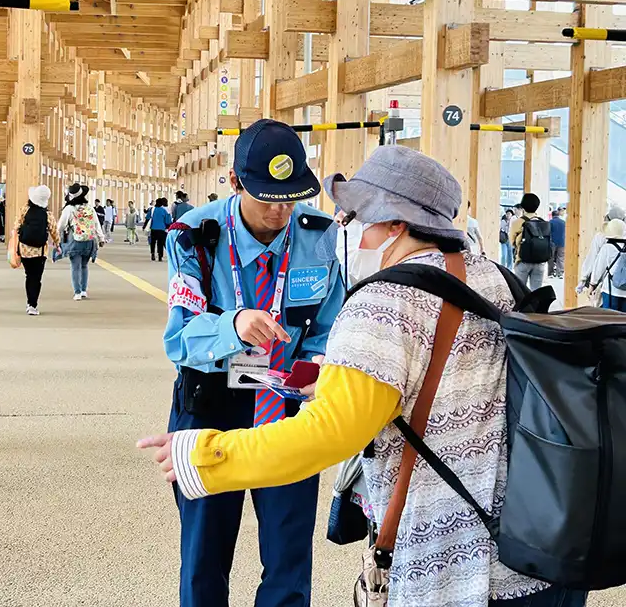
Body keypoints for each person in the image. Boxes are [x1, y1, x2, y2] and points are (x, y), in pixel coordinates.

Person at [140, 145, 584, 607]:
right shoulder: (497, 280)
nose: (344, 228)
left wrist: (207, 454)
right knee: (205, 554)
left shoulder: (383, 302)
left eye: (354, 215)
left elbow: (330, 433)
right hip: (532, 545)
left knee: (287, 552)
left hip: (455, 564)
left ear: (394, 225)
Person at [145, 119, 344, 607]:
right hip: (211, 402)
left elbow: (329, 326)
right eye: (266, 197)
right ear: (234, 182)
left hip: (288, 403)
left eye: (290, 197)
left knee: (288, 557)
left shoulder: (317, 236)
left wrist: (317, 363)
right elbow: (179, 338)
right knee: (204, 558)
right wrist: (231, 326)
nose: (280, 210)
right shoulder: (194, 237)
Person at [15, 185, 61, 316]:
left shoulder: (24, 210)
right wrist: (58, 244)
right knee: (36, 278)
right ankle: (32, 305)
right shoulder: (47, 214)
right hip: (40, 251)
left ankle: (29, 302)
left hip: (24, 249)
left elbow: (16, 226)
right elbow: (54, 231)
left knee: (29, 276)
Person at [57, 183, 105, 301]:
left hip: (75, 240)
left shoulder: (69, 209)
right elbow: (96, 224)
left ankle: (77, 292)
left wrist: (56, 237)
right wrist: (101, 238)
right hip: (89, 241)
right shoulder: (89, 208)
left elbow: (61, 226)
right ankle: (84, 290)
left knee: (75, 267)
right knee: (84, 266)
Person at [579, 206, 626, 293]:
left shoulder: (601, 237)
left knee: (603, 305)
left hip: (607, 284)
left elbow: (592, 258)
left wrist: (584, 279)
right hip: (623, 282)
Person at [510, 193, 549, 291]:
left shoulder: (518, 222)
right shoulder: (543, 222)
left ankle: (523, 307)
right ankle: (535, 307)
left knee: (519, 291)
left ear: (522, 206)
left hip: (523, 261)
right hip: (540, 262)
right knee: (536, 292)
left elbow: (512, 242)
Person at [590, 218, 626, 311]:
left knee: (609, 319)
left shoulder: (607, 248)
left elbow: (598, 269)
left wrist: (592, 284)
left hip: (610, 291)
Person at [143, 197, 172, 262]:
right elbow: (168, 221)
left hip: (153, 229)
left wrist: (144, 226)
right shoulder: (164, 211)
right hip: (162, 229)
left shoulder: (152, 209)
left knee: (153, 242)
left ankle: (152, 253)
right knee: (160, 243)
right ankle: (160, 256)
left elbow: (147, 218)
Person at [548, 210, 566, 278]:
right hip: (562, 242)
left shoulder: (550, 222)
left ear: (552, 216)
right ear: (558, 215)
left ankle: (551, 273)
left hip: (552, 242)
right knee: (561, 258)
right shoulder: (563, 222)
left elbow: (548, 232)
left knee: (551, 258)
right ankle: (560, 273)